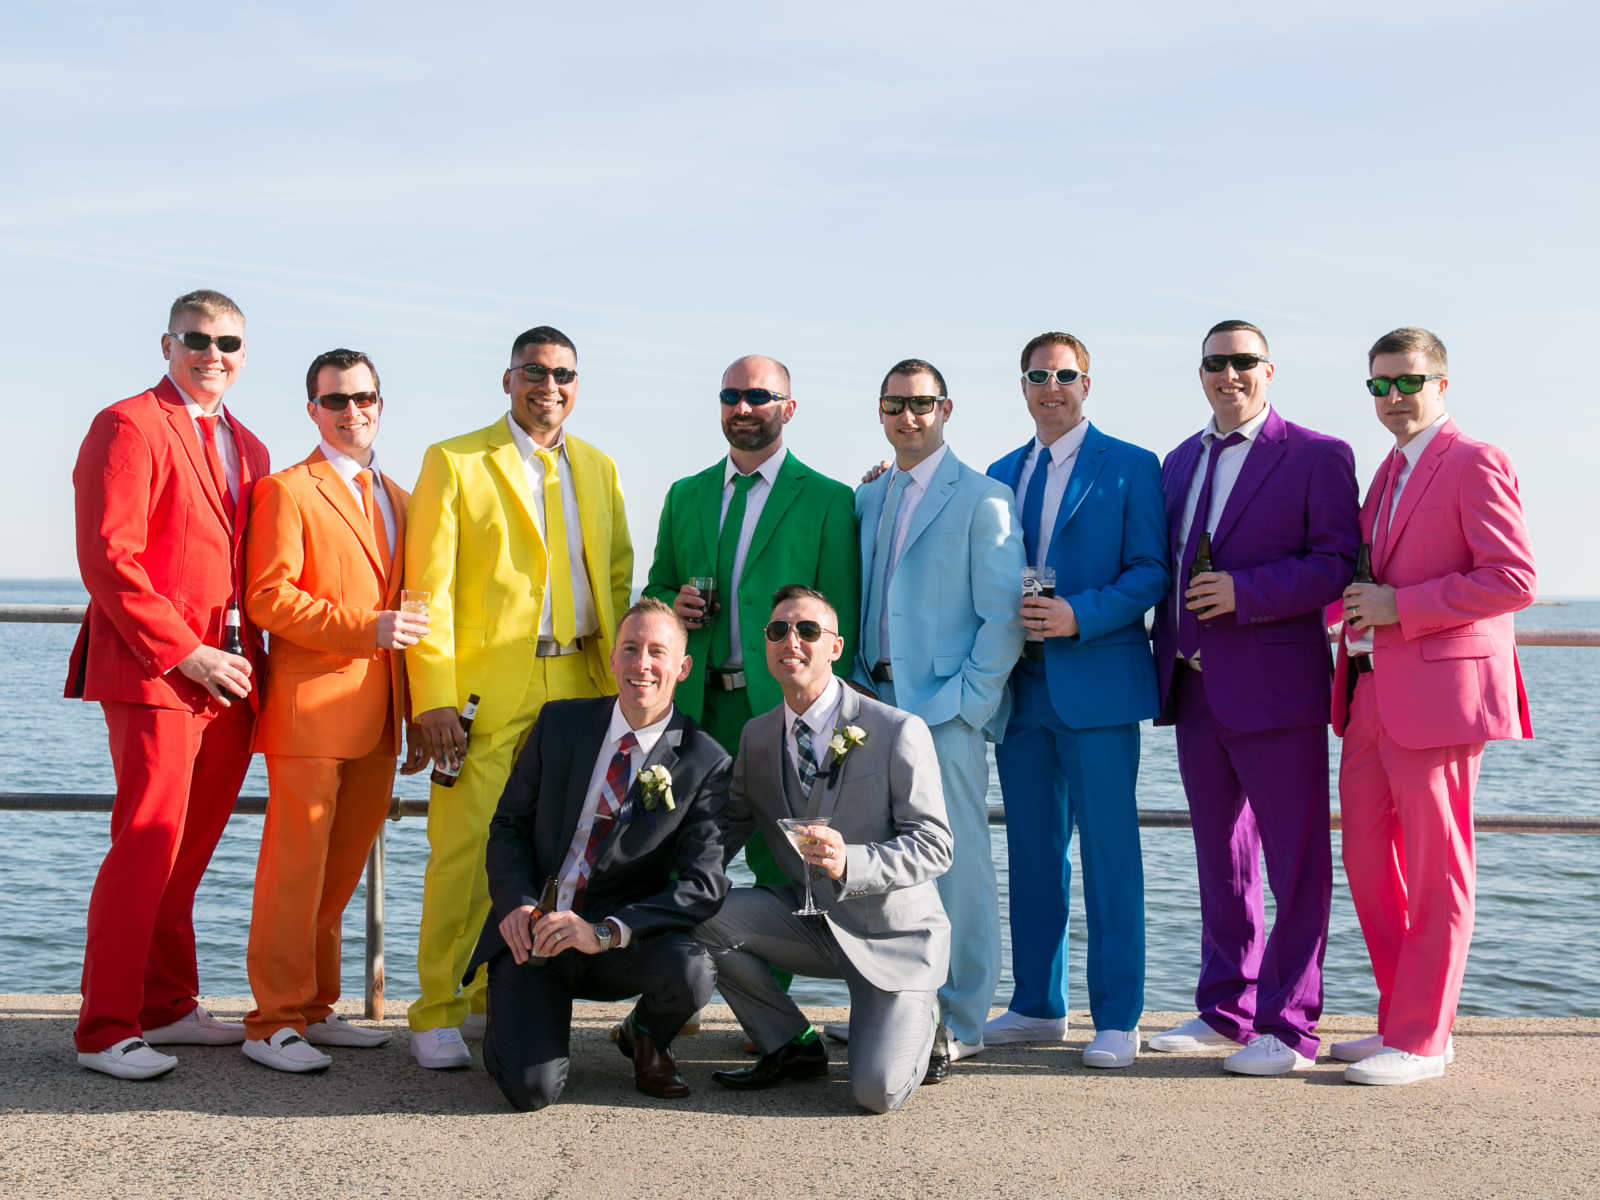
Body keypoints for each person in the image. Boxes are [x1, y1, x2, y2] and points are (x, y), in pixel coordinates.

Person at [405, 325, 633, 1068]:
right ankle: (437, 1008)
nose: (549, 386)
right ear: (508, 380)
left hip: (579, 681)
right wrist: (431, 696)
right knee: (465, 851)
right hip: (482, 690)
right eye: (534, 372)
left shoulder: (599, 468)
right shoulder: (455, 459)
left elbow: (620, 579)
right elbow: (426, 590)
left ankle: (491, 998)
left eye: (563, 374)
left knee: (552, 853)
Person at [1147, 320, 1359, 1075]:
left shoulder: (1318, 456)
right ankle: (1225, 1010)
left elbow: (1338, 564)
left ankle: (1291, 1028)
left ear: (1269, 371)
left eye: (1242, 362)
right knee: (1220, 861)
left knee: (1296, 863)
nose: (1228, 374)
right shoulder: (1177, 461)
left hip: (1278, 689)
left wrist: (1246, 592)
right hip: (1194, 689)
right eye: (1215, 363)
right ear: (1200, 373)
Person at [67, 289, 270, 1080]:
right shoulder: (126, 423)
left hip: (231, 676)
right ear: (166, 343)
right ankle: (103, 1029)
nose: (210, 353)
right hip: (158, 670)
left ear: (244, 355)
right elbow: (108, 559)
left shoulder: (249, 445)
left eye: (226, 342)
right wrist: (186, 653)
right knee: (145, 846)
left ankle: (168, 1005)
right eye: (196, 338)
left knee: (188, 853)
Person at [1332, 327, 1536, 1085]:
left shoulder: (1476, 460)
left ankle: (1422, 1039)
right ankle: (1405, 1019)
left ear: (1441, 385)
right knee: (1365, 861)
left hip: (1442, 696)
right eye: (1379, 385)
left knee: (1436, 870)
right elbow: (1366, 579)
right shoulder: (1386, 472)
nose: (1393, 398)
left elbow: (1513, 578)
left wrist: (1398, 606)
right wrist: (1353, 614)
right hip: (1370, 692)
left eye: (1407, 383)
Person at [238, 348, 430, 1072]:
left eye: (366, 397)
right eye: (337, 400)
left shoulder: (402, 496)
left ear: (382, 402)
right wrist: (364, 628)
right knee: (293, 872)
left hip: (379, 718)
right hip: (311, 712)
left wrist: (409, 713)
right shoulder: (287, 491)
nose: (354, 411)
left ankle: (315, 1008)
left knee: (340, 873)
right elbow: (268, 598)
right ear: (312, 409)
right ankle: (270, 1022)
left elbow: (411, 614)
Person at [985, 332, 1169, 1068]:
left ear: (1086, 384)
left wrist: (1079, 614)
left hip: (1097, 686)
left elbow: (1152, 570)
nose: (1050, 386)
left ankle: (1118, 1018)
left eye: (1065, 375)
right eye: (1038, 375)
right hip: (1019, 689)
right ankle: (1036, 1004)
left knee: (1111, 856)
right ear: (1022, 384)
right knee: (1032, 854)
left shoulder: (1130, 466)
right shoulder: (999, 472)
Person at [698, 586, 954, 1114]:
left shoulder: (897, 730)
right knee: (702, 912)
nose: (791, 640)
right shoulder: (757, 736)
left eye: (808, 630)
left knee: (874, 1093)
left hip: (894, 939)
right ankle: (791, 1045)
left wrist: (850, 862)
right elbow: (727, 830)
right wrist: (659, 879)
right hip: (812, 925)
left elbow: (935, 845)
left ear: (835, 646)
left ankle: (924, 1020)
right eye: (778, 630)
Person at [834, 358, 1021, 1076]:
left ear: (947, 409)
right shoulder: (869, 497)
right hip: (870, 709)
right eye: (894, 405)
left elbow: (1002, 618)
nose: (908, 417)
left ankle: (965, 1016)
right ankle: (891, 1006)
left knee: (960, 868)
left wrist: (965, 705)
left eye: (921, 404)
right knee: (880, 868)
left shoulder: (984, 497)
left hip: (944, 715)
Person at [471, 598, 730, 1109]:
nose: (642, 664)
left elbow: (705, 883)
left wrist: (605, 932)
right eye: (631, 649)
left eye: (658, 652)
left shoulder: (705, 760)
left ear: (683, 667)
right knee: (530, 1092)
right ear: (613, 658)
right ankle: (518, 1023)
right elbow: (508, 827)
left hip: (618, 943)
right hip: (538, 933)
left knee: (694, 969)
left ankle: (647, 1038)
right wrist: (516, 905)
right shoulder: (559, 724)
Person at [643, 353, 859, 893]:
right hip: (695, 705)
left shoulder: (830, 500)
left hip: (783, 706)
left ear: (787, 407)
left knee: (784, 866)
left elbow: (842, 619)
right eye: (731, 396)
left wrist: (827, 719)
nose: (743, 407)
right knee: (676, 854)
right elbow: (655, 586)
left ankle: (761, 983)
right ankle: (680, 978)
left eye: (758, 396)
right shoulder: (683, 493)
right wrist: (673, 603)